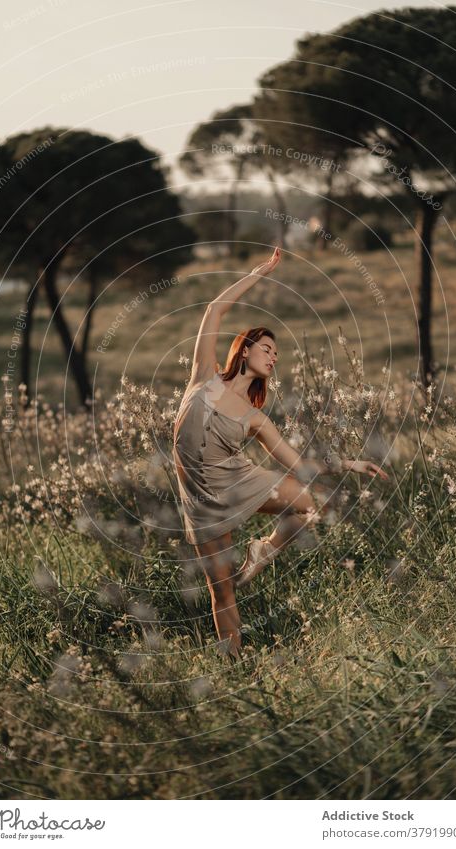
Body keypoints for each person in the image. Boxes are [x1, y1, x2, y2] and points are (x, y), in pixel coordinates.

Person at [172, 246, 389, 659]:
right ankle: (233, 664)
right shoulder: (203, 376)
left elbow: (298, 463)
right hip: (200, 502)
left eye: (277, 355)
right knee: (222, 592)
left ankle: (264, 550)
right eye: (267, 348)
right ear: (246, 348)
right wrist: (258, 273)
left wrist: (348, 463)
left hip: (237, 482)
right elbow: (215, 309)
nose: (273, 357)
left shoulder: (256, 417)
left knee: (308, 504)